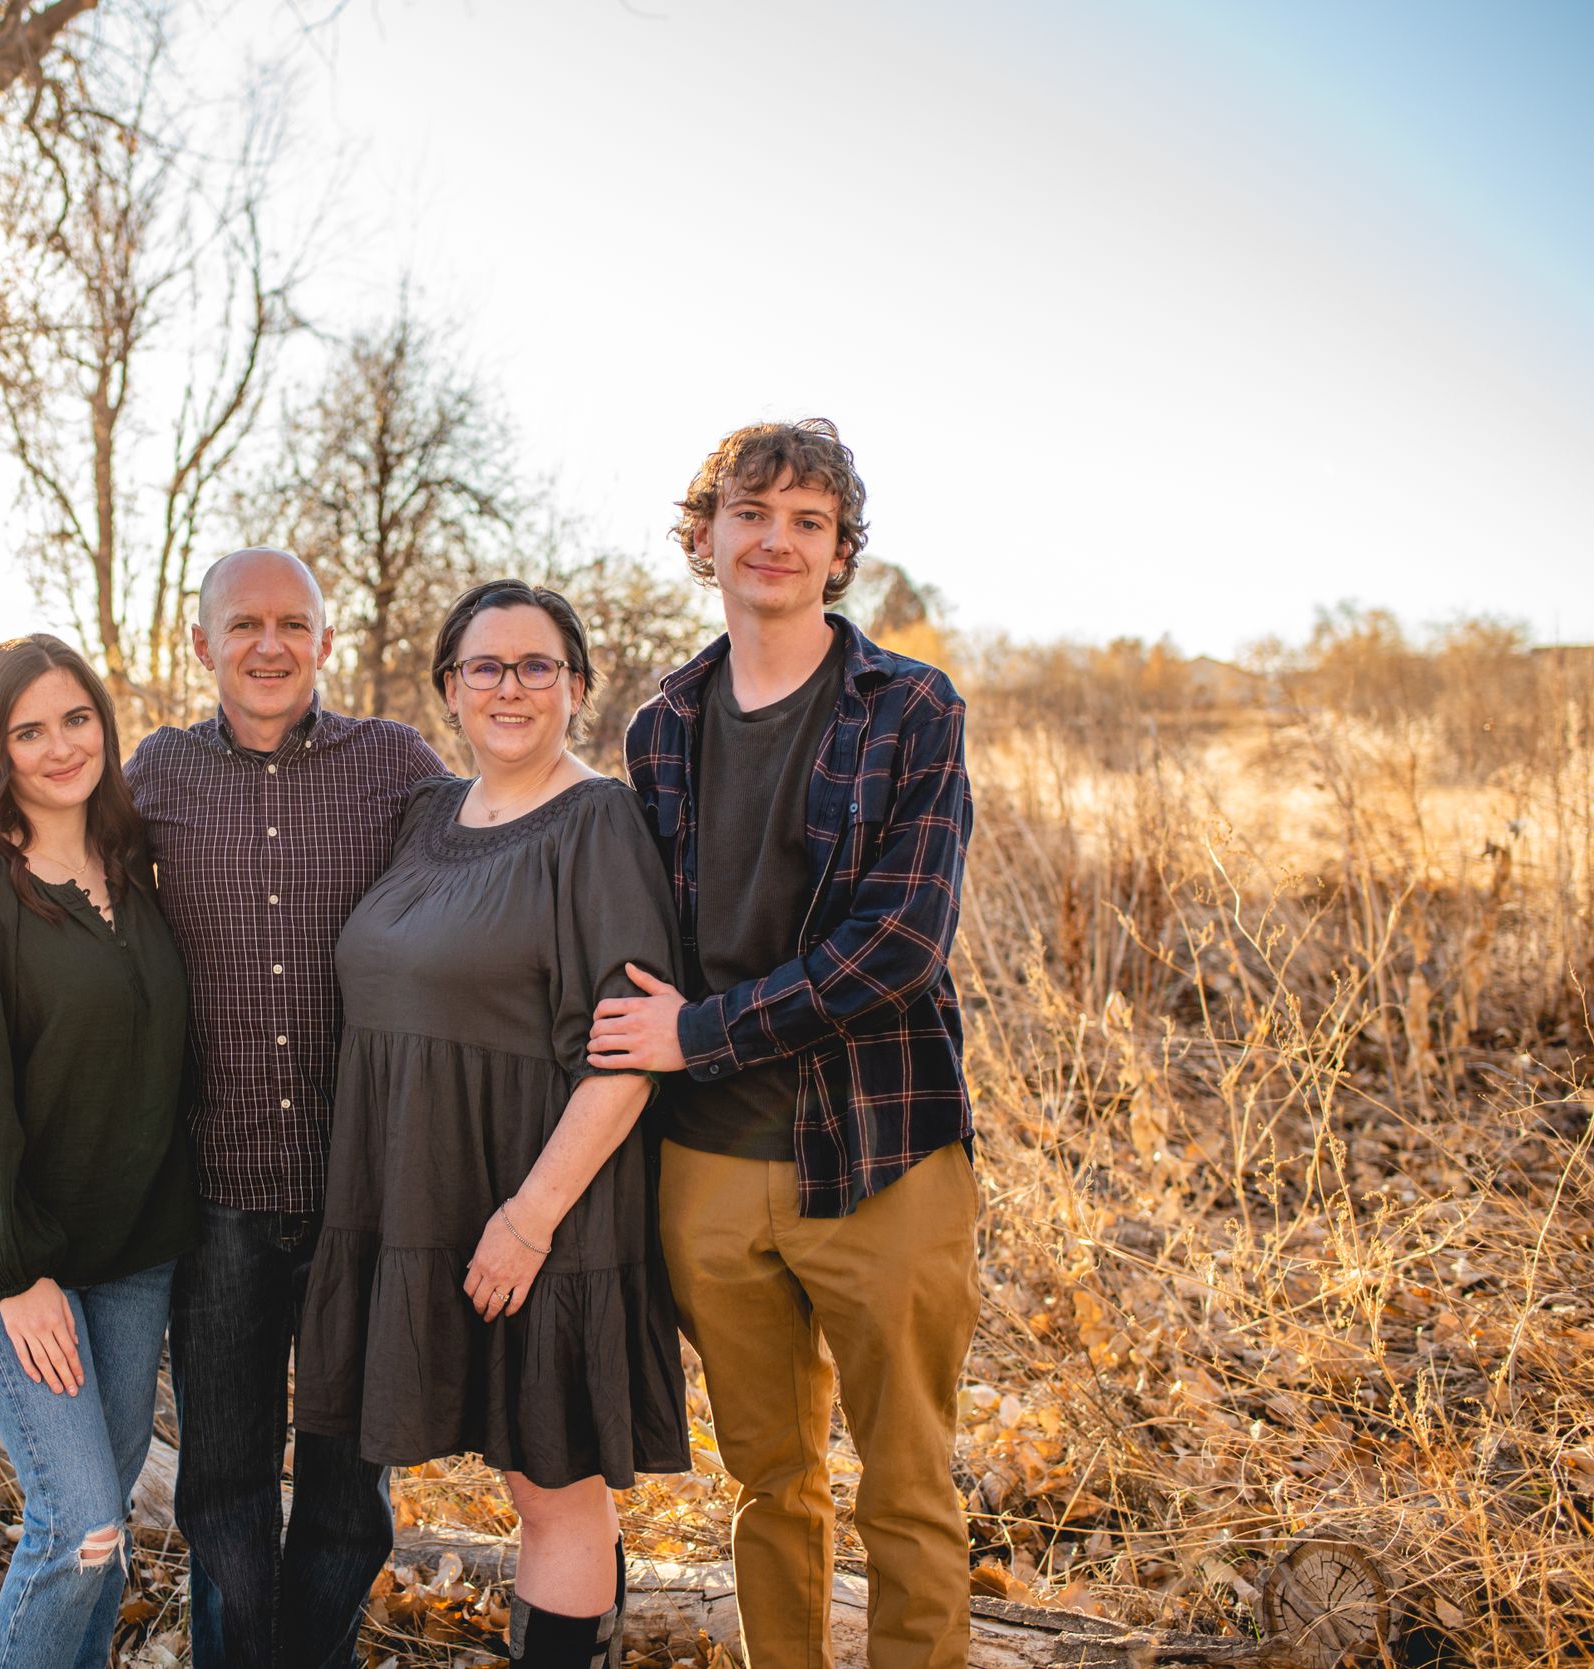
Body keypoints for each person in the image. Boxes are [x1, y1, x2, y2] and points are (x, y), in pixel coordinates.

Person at [588, 420, 980, 1669]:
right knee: (769, 1485)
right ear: (704, 536)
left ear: (839, 552)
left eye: (809, 522)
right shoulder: (660, 728)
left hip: (880, 1151)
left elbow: (897, 946)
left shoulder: (910, 707)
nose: (777, 540)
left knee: (907, 1489)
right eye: (751, 513)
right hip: (705, 1165)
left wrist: (696, 1033)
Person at [298, 579, 691, 1669]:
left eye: (536, 666)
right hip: (416, 1185)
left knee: (550, 1486)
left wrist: (527, 1218)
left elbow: (628, 1057)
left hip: (539, 1201)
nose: (509, 687)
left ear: (575, 687)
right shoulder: (425, 816)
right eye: (485, 666)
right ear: (448, 689)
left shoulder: (598, 821)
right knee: (514, 1477)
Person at [124, 548, 444, 1669]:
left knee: (351, 1481)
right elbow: (59, 879)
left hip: (358, 1187)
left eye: (293, 623)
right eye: (245, 624)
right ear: (201, 644)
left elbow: (490, 852)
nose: (270, 644)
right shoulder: (153, 775)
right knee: (222, 1482)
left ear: (323, 639)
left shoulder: (394, 762)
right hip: (214, 1194)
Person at [0, 634, 196, 1669]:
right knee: (76, 1524)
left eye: (76, 717)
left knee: (106, 1538)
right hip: (12, 1258)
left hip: (131, 1260)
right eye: (29, 730)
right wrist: (17, 1270)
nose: (60, 745)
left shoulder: (139, 861)